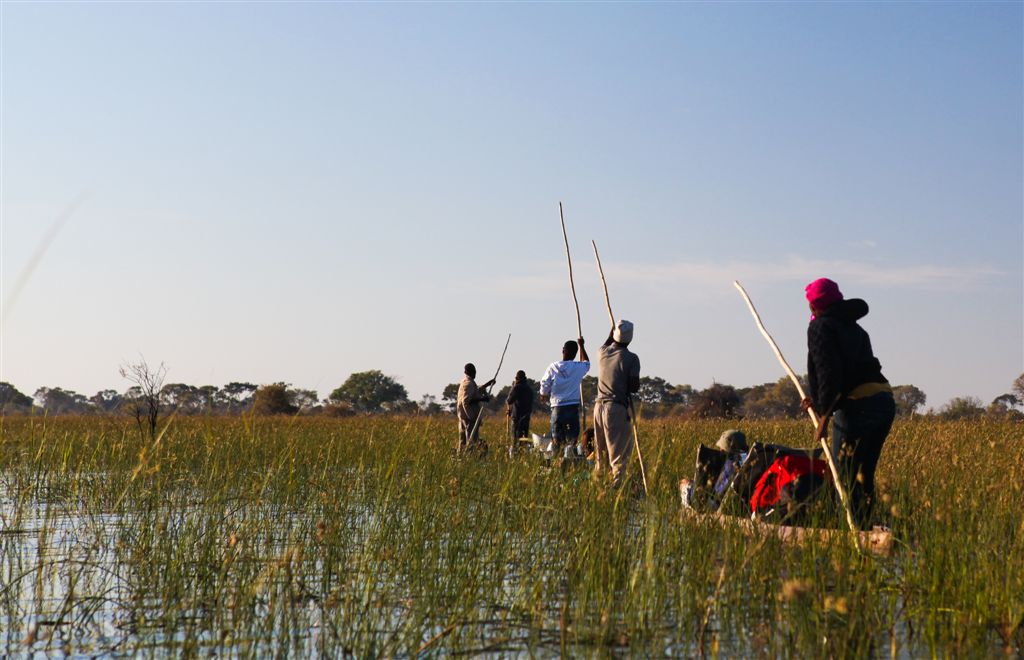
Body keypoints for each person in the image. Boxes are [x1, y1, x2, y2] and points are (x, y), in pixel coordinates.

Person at [800, 278, 895, 528]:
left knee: (842, 477)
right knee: (863, 475)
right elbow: (847, 372)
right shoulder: (855, 328)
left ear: (814, 307)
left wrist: (823, 414)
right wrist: (818, 400)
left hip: (858, 407)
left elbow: (829, 372)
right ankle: (862, 527)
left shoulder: (820, 327)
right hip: (884, 402)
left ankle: (848, 531)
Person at [593, 320, 640, 487]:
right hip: (616, 408)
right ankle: (617, 487)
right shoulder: (632, 358)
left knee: (601, 452)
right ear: (630, 338)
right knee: (618, 454)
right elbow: (634, 387)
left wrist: (611, 330)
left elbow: (606, 343)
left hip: (598, 407)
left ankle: (599, 484)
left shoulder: (602, 353)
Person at [539, 337, 590, 454]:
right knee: (572, 442)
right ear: (576, 353)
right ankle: (569, 461)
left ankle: (558, 463)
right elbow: (586, 363)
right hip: (572, 408)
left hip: (557, 408)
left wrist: (543, 394)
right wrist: (582, 346)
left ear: (563, 350)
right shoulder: (578, 367)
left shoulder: (553, 367)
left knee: (557, 441)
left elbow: (544, 383)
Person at [457, 363, 496, 453]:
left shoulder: (465, 381)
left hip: (463, 416)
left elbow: (474, 392)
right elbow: (466, 401)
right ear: (471, 372)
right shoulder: (468, 383)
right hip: (469, 417)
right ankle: (469, 458)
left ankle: (461, 457)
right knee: (471, 441)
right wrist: (483, 398)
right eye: (474, 372)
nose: (475, 374)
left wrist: (487, 385)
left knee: (463, 441)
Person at [505, 370, 534, 440]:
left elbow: (509, 401)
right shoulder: (529, 389)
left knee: (515, 440)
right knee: (524, 439)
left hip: (517, 418)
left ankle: (515, 450)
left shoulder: (516, 388)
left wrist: (513, 387)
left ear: (517, 378)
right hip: (526, 418)